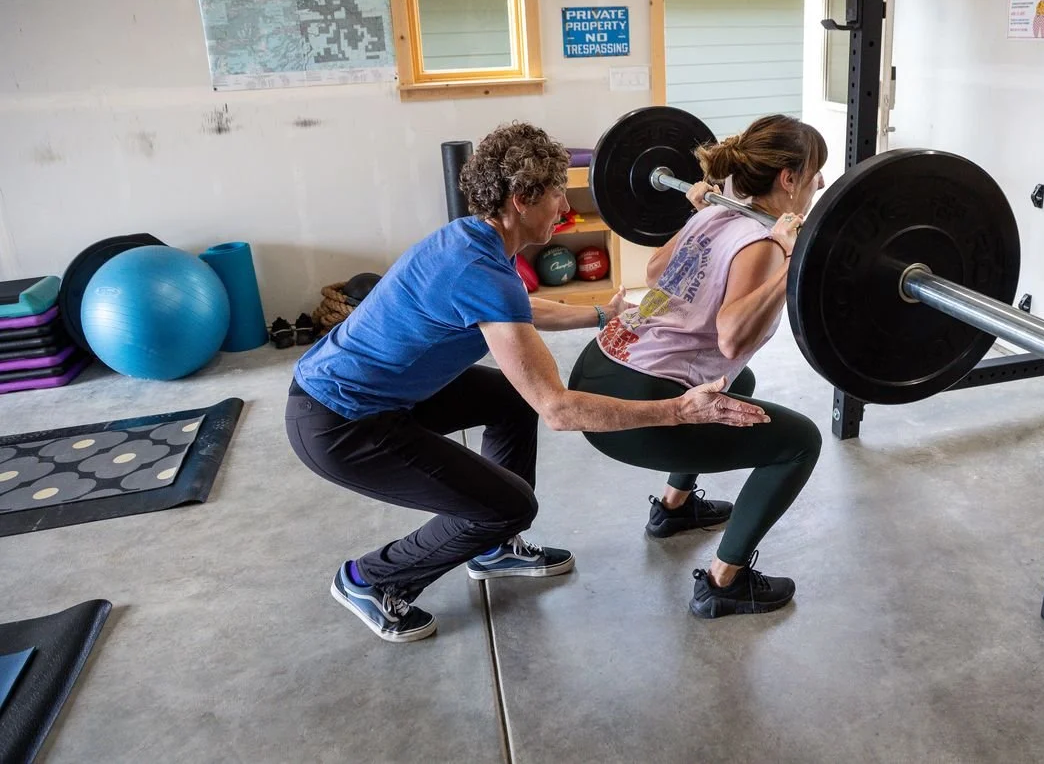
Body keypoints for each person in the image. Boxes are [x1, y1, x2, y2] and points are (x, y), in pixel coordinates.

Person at [285, 122, 768, 644]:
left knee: (509, 401)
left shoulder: (474, 242)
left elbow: (510, 311)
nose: (565, 209)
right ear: (521, 199)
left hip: (381, 393)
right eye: (558, 194)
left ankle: (492, 548)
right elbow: (558, 409)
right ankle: (371, 578)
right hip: (339, 421)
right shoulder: (480, 269)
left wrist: (600, 314)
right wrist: (679, 410)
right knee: (510, 504)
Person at [567, 114, 827, 619]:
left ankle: (674, 508)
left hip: (600, 366)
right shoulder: (763, 244)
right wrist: (791, 260)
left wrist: (699, 216)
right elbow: (731, 336)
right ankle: (723, 583)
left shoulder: (715, 213)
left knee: (737, 381)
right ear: (788, 178)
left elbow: (656, 269)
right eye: (815, 171)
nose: (819, 182)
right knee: (800, 443)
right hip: (635, 411)